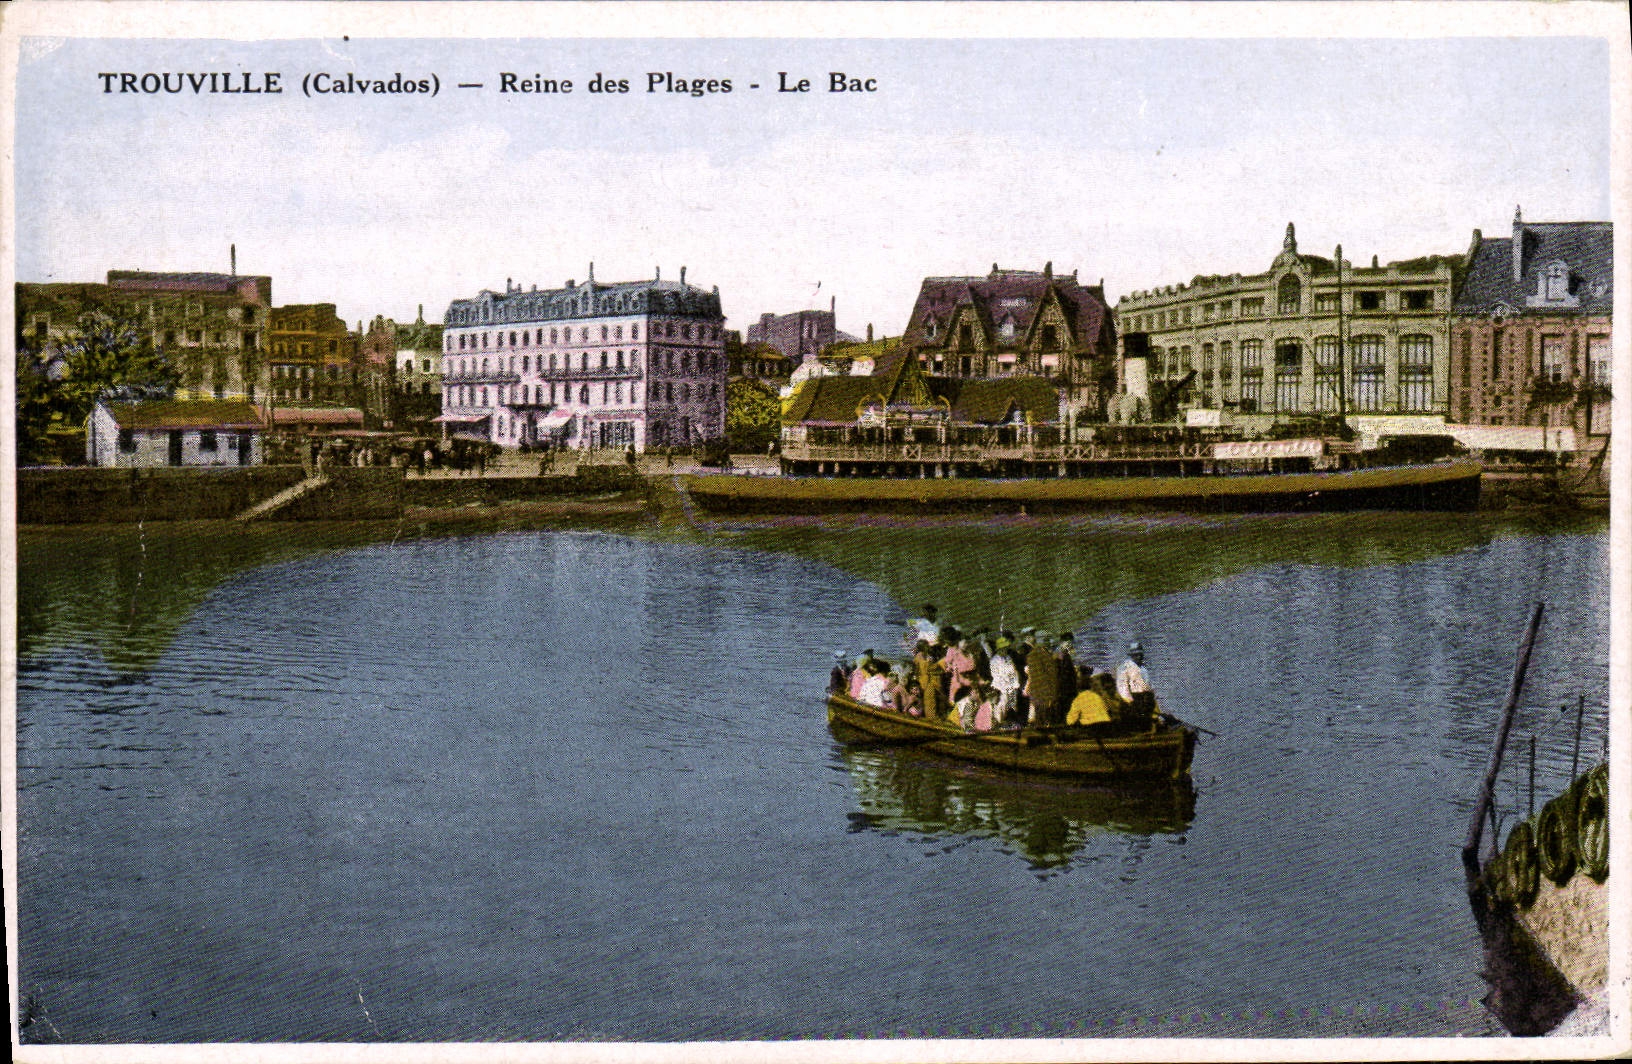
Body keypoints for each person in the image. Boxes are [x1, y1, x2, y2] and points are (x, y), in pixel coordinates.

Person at [1116, 641, 1157, 728]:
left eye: (1140, 655)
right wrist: (1130, 702)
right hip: (1133, 699)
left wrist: (1152, 697)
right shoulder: (1124, 668)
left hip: (1145, 698)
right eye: (1136, 655)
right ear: (1132, 656)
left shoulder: (1143, 669)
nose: (1139, 657)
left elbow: (1149, 686)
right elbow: (1123, 688)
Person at [1025, 634, 1061, 726]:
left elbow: (1034, 676)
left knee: (1039, 718)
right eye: (1047, 640)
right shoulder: (1044, 655)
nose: (1049, 642)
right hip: (1045, 692)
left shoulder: (1031, 655)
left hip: (1036, 692)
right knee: (1046, 718)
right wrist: (1052, 694)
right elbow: (1049, 676)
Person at [988, 637, 1022, 726]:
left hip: (1012, 685)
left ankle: (1011, 721)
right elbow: (996, 676)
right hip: (1000, 686)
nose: (1006, 650)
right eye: (1004, 648)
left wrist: (1016, 683)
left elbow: (1014, 671)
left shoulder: (1008, 657)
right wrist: (1004, 687)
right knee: (1001, 705)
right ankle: (999, 722)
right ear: (999, 649)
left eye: (1006, 648)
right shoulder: (994, 660)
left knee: (1012, 704)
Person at [913, 640, 946, 721]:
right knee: (930, 701)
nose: (928, 647)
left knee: (932, 701)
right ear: (923, 647)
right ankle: (932, 719)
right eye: (927, 645)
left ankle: (934, 717)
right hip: (926, 682)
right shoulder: (920, 656)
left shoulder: (924, 655)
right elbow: (928, 667)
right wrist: (941, 663)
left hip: (925, 680)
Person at [1054, 633, 1078, 724]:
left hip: (1069, 683)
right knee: (1064, 703)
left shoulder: (1070, 652)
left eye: (1070, 642)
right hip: (1063, 683)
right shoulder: (1058, 653)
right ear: (1062, 642)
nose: (1069, 644)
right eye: (1067, 642)